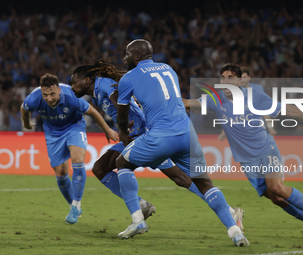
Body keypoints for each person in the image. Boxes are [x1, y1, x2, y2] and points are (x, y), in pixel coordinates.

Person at [70, 59, 245, 230]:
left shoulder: (103, 85)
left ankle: (230, 212)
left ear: (87, 80)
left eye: (74, 82)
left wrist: (123, 126)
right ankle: (141, 205)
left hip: (145, 135)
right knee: (100, 168)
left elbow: (118, 99)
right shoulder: (99, 89)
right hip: (134, 135)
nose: (72, 86)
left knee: (181, 178)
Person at [115, 39, 249, 246]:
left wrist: (123, 132)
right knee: (204, 183)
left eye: (127, 54)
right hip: (187, 134)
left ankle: (138, 221)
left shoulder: (128, 78)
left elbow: (122, 116)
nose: (124, 58)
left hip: (160, 137)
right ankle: (235, 231)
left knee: (122, 163)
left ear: (137, 56)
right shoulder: (169, 69)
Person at [183, 63, 303, 240]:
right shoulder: (215, 100)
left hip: (266, 149)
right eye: (223, 77)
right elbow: (187, 103)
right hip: (247, 159)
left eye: (230, 77)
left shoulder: (255, 97)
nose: (226, 81)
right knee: (275, 198)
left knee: (276, 187)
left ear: (240, 80)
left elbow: (285, 108)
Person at [20, 73, 118, 224]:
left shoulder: (71, 96)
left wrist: (107, 130)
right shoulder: (34, 98)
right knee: (61, 172)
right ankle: (73, 205)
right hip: (53, 134)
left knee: (78, 160)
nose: (49, 98)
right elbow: (24, 109)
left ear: (59, 90)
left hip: (74, 127)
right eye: (45, 95)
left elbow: (92, 112)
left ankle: (76, 204)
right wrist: (26, 125)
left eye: (52, 94)